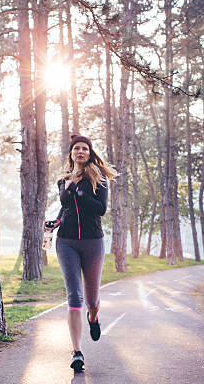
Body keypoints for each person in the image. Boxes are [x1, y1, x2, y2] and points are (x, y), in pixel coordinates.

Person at [45, 134, 118, 373]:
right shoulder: (63, 180)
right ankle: (77, 352)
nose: (80, 152)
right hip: (66, 242)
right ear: (71, 153)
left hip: (92, 242)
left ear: (89, 153)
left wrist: (78, 191)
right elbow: (65, 208)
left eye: (84, 149)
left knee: (92, 300)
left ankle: (93, 317)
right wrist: (54, 221)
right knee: (74, 297)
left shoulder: (99, 179)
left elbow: (101, 209)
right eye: (76, 148)